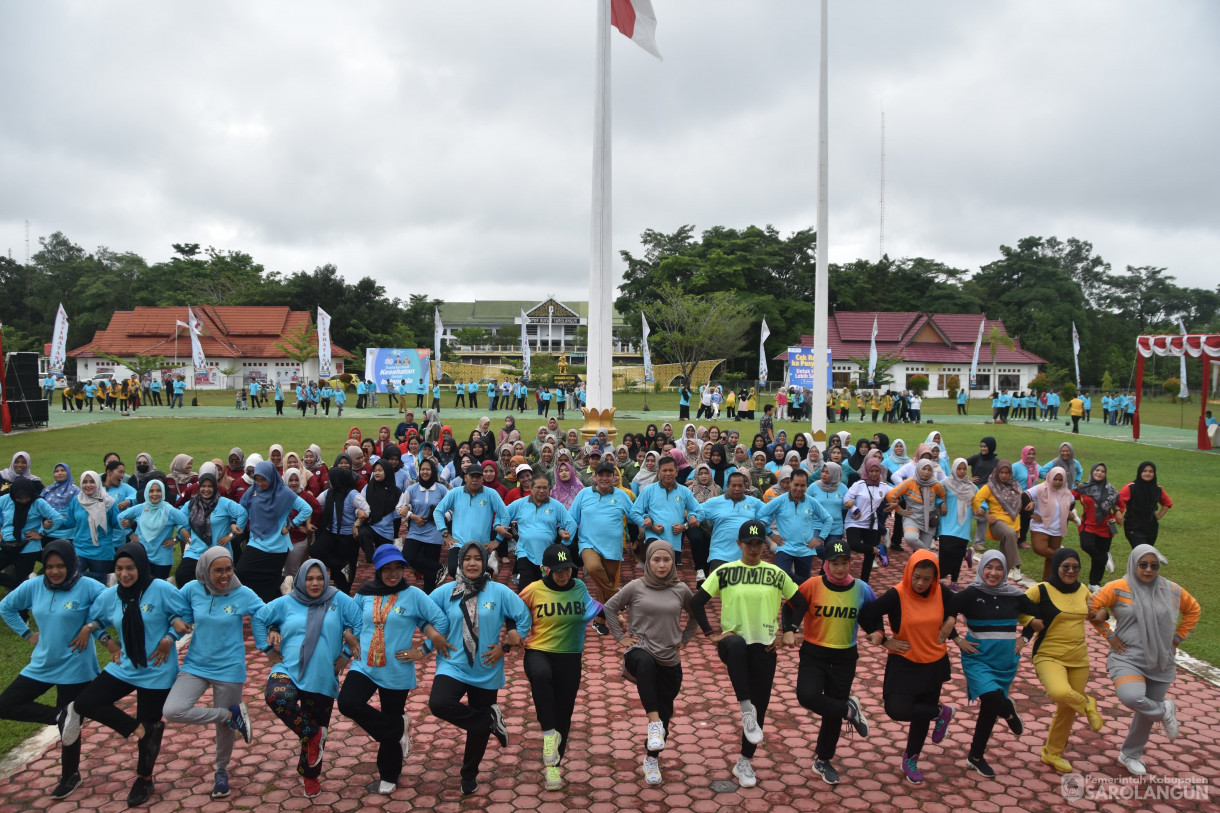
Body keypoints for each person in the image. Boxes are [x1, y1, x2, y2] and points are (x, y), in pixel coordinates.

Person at [65, 544, 188, 806]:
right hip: (125, 665)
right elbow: (95, 619)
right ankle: (138, 729)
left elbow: (185, 614)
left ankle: (144, 778)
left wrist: (170, 637)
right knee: (86, 702)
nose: (124, 574)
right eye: (119, 569)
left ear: (141, 566)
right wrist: (104, 639)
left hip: (157, 667)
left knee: (151, 721)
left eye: (130, 568)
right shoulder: (110, 596)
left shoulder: (162, 589)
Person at [690, 520, 800, 789]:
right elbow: (696, 602)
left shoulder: (776, 573)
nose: (753, 548)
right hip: (732, 645)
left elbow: (801, 602)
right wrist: (710, 633)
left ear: (765, 544)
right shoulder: (725, 572)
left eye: (758, 543)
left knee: (760, 704)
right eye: (748, 543)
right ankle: (744, 708)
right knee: (737, 644)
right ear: (738, 544)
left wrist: (789, 630)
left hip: (765, 646)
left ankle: (744, 761)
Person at [0, 541, 108, 800]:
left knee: (68, 731)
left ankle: (70, 775)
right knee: (6, 704)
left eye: (61, 566)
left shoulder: (89, 586)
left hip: (76, 666)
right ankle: (60, 715)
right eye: (49, 567)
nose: (55, 572)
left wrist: (90, 626)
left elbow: (113, 608)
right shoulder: (34, 586)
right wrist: (27, 633)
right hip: (42, 664)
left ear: (72, 564)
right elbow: (6, 607)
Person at [424, 541, 532, 796]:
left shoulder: (499, 592)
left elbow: (524, 616)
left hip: (486, 667)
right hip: (452, 665)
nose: (472, 563)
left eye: (478, 559)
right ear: (460, 563)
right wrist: (432, 634)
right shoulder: (445, 592)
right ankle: (487, 721)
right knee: (439, 704)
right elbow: (421, 612)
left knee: (477, 732)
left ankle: (469, 773)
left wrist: (507, 644)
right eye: (467, 559)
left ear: (485, 563)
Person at [339, 545, 448, 796]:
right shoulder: (364, 594)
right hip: (364, 665)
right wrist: (347, 643)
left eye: (397, 568)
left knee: (390, 713)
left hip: (397, 668)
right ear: (377, 570)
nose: (392, 574)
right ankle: (397, 729)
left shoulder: (413, 595)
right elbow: (350, 623)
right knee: (347, 702)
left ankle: (389, 774)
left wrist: (423, 650)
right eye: (386, 569)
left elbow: (441, 620)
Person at [253, 559, 361, 798]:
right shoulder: (287, 601)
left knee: (313, 727)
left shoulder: (339, 599)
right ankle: (313, 733)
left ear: (326, 578)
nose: (315, 583)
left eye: (319, 578)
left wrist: (346, 653)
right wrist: (268, 650)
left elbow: (359, 621)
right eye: (309, 578)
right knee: (277, 697)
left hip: (322, 675)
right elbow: (259, 618)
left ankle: (310, 777)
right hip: (288, 669)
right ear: (301, 579)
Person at [1089, 545, 1200, 776]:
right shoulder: (1118, 587)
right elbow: (1092, 607)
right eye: (1143, 565)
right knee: (1132, 696)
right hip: (1127, 656)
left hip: (1161, 659)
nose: (1149, 570)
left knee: (1145, 715)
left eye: (1154, 565)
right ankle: (1164, 711)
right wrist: (1108, 635)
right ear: (1133, 564)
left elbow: (1194, 609)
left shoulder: (1170, 589)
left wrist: (1177, 639)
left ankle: (1130, 754)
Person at [163, 548, 263, 798]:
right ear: (205, 570)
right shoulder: (191, 589)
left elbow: (265, 613)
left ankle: (221, 771)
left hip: (229, 668)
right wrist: (175, 619)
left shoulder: (243, 594)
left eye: (228, 569)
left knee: (223, 731)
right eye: (217, 570)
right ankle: (230, 715)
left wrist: (272, 633)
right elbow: (172, 607)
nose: (224, 575)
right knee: (173, 710)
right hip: (195, 665)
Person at [860, 550, 962, 785]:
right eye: (916, 577)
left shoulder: (940, 591)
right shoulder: (897, 594)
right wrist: (884, 639)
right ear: (909, 572)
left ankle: (911, 759)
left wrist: (951, 619)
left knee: (920, 717)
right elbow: (867, 613)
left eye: (927, 579)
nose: (921, 583)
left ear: (934, 578)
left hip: (934, 663)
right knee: (897, 709)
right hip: (904, 661)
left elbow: (956, 603)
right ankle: (941, 713)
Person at [603, 539, 700, 787]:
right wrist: (621, 638)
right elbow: (610, 608)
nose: (661, 564)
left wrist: (685, 639)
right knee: (644, 663)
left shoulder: (680, 589)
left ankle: (651, 758)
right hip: (639, 649)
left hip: (669, 657)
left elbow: (696, 614)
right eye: (656, 559)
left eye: (666, 559)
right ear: (648, 561)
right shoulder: (635, 587)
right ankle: (653, 723)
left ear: (672, 562)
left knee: (666, 709)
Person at [783, 539, 875, 784]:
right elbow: (789, 607)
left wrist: (879, 633)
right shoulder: (811, 586)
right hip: (814, 653)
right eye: (835, 563)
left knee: (831, 714)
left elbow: (870, 615)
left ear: (850, 563)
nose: (840, 568)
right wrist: (789, 629)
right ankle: (849, 710)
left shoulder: (861, 588)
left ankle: (823, 760)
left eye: (844, 562)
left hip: (846, 657)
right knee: (807, 695)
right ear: (825, 564)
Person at [946, 551, 1041, 778]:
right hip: (977, 657)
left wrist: (1025, 638)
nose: (994, 573)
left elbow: (1038, 615)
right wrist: (957, 640)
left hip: (1005, 661)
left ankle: (975, 756)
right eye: (989, 567)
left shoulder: (1015, 595)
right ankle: (1008, 711)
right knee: (990, 696)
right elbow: (944, 610)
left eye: (999, 568)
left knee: (989, 710)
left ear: (1005, 571)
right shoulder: (970, 593)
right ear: (981, 569)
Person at [519, 544, 603, 790]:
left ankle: (553, 768)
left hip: (570, 657)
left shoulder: (579, 587)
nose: (563, 574)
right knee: (541, 676)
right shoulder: (533, 590)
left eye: (567, 569)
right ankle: (548, 735)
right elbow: (512, 612)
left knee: (563, 715)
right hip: (538, 651)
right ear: (545, 569)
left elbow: (595, 609)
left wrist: (614, 620)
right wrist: (511, 636)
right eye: (557, 570)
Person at [1018, 548, 1105, 774]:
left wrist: (1099, 613)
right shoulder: (1041, 589)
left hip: (1079, 658)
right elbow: (1018, 608)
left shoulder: (1083, 590)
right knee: (1059, 692)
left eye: (1075, 568)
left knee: (1066, 709)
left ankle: (1052, 753)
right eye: (1065, 566)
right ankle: (1087, 703)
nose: (1070, 571)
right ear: (1056, 566)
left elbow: (1095, 613)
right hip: (1048, 655)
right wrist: (1030, 620)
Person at [568, 460, 643, 635]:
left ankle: (599, 621)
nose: (604, 478)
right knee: (594, 568)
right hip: (588, 543)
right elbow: (571, 517)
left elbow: (633, 516)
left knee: (604, 585)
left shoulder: (621, 495)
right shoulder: (584, 494)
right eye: (600, 475)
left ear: (613, 477)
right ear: (594, 477)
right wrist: (566, 533)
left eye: (608, 475)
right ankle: (619, 596)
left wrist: (647, 523)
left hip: (613, 548)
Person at [237, 460, 314, 602]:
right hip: (256, 541)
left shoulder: (283, 492)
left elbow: (306, 509)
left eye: (263, 480)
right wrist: (238, 526)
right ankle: (281, 584)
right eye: (257, 479)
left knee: (269, 587)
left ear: (271, 477)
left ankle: (274, 612)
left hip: (277, 545)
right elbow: (243, 507)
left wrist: (291, 525)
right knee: (242, 572)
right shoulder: (254, 490)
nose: (260, 483)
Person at [435, 463, 511, 577]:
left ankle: (489, 567)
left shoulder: (491, 494)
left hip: (481, 544)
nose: (475, 479)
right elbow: (438, 511)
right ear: (465, 477)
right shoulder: (455, 493)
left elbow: (505, 515)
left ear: (482, 478)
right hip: (458, 544)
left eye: (478, 477)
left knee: (478, 576)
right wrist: (445, 533)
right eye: (472, 476)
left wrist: (498, 540)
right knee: (453, 570)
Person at [756, 469, 830, 583]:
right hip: (785, 547)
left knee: (803, 586)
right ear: (790, 483)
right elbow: (760, 514)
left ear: (806, 486)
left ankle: (799, 592)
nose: (799, 489)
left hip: (806, 549)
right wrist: (770, 534)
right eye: (796, 485)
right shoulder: (780, 500)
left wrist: (820, 538)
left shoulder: (812, 502)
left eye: (803, 485)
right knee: (781, 576)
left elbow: (828, 519)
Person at [504, 475, 577, 588]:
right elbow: (503, 514)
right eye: (538, 487)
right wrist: (499, 526)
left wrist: (564, 544)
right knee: (526, 588)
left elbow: (571, 523)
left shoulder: (556, 505)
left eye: (545, 488)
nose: (542, 490)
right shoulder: (520, 504)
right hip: (525, 552)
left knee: (546, 587)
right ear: (531, 488)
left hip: (547, 554)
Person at [397, 457, 450, 593]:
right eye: (423, 469)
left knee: (430, 577)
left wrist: (441, 517)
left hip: (434, 534)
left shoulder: (442, 489)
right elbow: (400, 508)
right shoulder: (412, 489)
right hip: (416, 531)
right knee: (407, 556)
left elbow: (452, 509)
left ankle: (429, 600)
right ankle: (440, 568)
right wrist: (412, 516)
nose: (425, 472)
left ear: (433, 471)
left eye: (428, 469)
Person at [1, 477, 62, 592]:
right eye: (19, 498)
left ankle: (22, 603)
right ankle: (22, 585)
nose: (23, 501)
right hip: (7, 546)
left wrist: (42, 534)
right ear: (14, 494)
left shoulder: (38, 502)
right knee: (22, 584)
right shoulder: (6, 499)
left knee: (22, 578)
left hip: (28, 547)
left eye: (26, 497)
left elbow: (57, 518)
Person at [842, 460, 893, 584]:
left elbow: (897, 493)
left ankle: (865, 583)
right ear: (867, 471)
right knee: (853, 545)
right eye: (871, 471)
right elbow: (846, 499)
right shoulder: (859, 484)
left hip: (871, 523)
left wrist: (896, 503)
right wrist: (855, 509)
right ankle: (878, 550)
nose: (874, 474)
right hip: (854, 522)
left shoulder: (883, 486)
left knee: (869, 558)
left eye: (877, 471)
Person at [972, 461, 1023, 581]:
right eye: (1001, 472)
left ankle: (1000, 583)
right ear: (997, 472)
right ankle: (1017, 567)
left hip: (1014, 523)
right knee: (1009, 534)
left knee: (1005, 558)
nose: (1004, 475)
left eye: (1007, 473)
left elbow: (1023, 499)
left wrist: (1031, 503)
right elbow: (976, 500)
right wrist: (986, 515)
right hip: (997, 522)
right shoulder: (990, 487)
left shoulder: (1015, 486)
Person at [1073, 463, 1119, 591]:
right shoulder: (1083, 488)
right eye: (1097, 470)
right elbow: (1069, 497)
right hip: (1088, 526)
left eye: (1102, 471)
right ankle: (1105, 557)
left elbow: (1118, 505)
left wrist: (1115, 517)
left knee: (1098, 559)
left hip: (1106, 528)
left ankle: (1094, 583)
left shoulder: (1111, 490)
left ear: (1105, 474)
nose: (1099, 473)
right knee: (1087, 546)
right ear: (1092, 471)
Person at [886, 460, 946, 553]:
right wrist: (900, 511)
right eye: (924, 469)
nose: (926, 472)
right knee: (910, 538)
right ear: (918, 469)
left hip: (929, 522)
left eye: (929, 470)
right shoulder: (910, 483)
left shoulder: (936, 484)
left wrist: (941, 504)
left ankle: (919, 561)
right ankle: (931, 554)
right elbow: (891, 496)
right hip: (912, 518)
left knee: (920, 555)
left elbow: (943, 495)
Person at [1028, 468, 1075, 581]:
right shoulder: (1041, 488)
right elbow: (1023, 497)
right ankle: (1063, 558)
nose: (1058, 482)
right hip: (1040, 527)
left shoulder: (1068, 494)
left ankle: (1048, 582)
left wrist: (1067, 514)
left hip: (1057, 530)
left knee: (1050, 560)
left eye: (1060, 480)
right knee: (1039, 548)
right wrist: (1031, 513)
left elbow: (1071, 506)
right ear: (1050, 478)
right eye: (1055, 479)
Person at [939, 459, 978, 590]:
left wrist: (982, 508)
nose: (961, 472)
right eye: (959, 468)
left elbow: (981, 500)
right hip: (947, 523)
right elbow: (936, 495)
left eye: (964, 469)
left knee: (956, 554)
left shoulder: (972, 487)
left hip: (963, 525)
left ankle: (954, 582)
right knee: (945, 550)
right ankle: (940, 575)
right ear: (953, 469)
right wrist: (941, 504)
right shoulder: (944, 483)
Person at [1116, 462, 1172, 549]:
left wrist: (1159, 515)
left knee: (1146, 555)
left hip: (1151, 528)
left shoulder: (1158, 489)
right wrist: (1118, 514)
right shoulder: (1131, 487)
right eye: (1145, 471)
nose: (1147, 474)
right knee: (1142, 551)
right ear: (1140, 472)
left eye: (1151, 471)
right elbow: (1118, 501)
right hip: (1133, 527)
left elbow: (1167, 503)